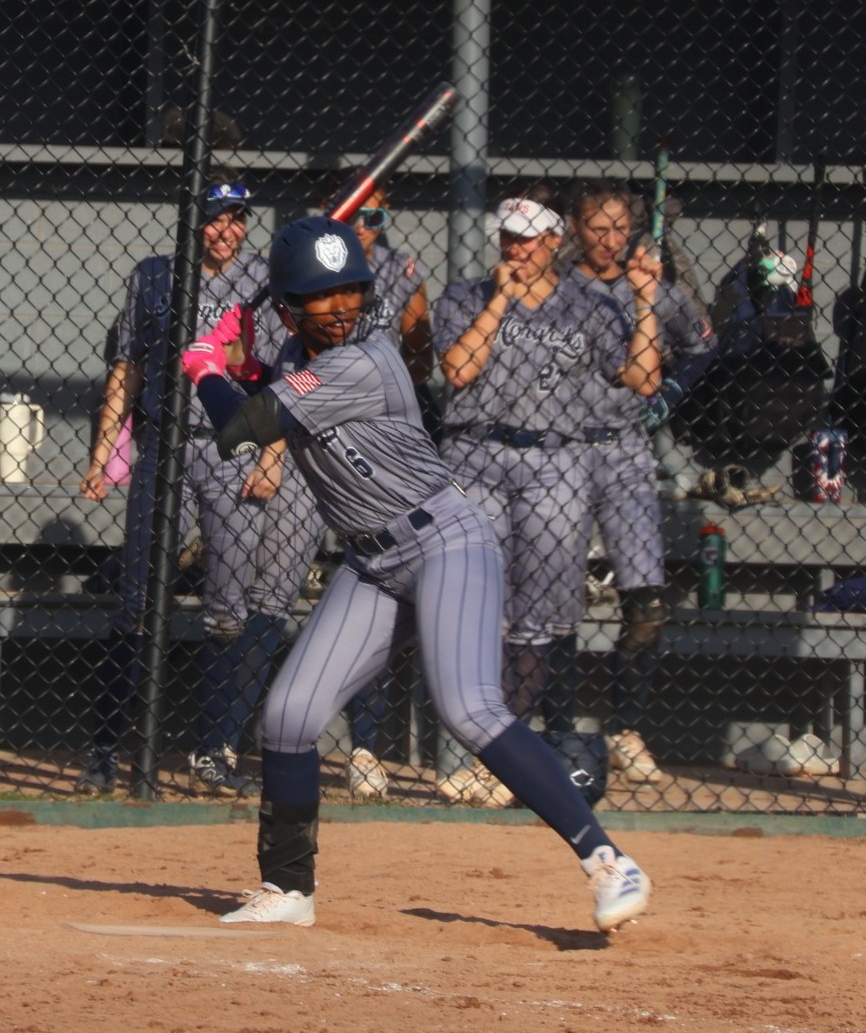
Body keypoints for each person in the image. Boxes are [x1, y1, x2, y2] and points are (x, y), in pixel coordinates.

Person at [179, 215, 651, 931]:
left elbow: (242, 427)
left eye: (349, 292)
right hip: (372, 558)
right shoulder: (293, 349)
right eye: (319, 295)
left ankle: (608, 860)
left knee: (469, 709)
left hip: (443, 541)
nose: (338, 307)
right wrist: (242, 365)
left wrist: (204, 366)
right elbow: (271, 382)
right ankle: (288, 888)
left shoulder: (362, 359)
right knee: (288, 717)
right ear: (285, 306)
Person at [76, 173, 322, 797]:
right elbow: (127, 366)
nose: (227, 231)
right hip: (162, 445)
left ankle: (214, 751)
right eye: (216, 217)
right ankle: (105, 747)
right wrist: (105, 451)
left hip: (233, 446)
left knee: (227, 612)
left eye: (238, 219)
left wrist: (270, 456)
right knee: (135, 601)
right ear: (194, 220)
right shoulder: (155, 276)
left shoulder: (262, 287)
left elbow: (278, 378)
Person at [432, 184, 665, 800]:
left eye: (531, 241)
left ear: (555, 243)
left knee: (538, 619)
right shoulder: (467, 295)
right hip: (476, 454)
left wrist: (644, 303)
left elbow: (642, 378)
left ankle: (496, 764)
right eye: (511, 239)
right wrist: (501, 302)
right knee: (478, 607)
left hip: (554, 463)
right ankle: (480, 754)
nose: (519, 250)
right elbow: (457, 370)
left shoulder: (587, 304)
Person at [561, 179, 716, 784]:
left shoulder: (648, 286)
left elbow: (704, 345)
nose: (610, 240)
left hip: (626, 452)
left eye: (619, 229)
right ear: (576, 231)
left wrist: (669, 396)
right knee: (557, 606)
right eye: (598, 229)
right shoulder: (560, 291)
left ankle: (627, 730)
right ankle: (557, 729)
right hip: (567, 456)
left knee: (646, 605)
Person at [327, 176, 435, 800]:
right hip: (309, 427)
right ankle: (228, 741)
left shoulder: (399, 269)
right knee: (269, 588)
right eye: (354, 215)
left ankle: (365, 747)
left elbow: (422, 354)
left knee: (379, 579)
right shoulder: (308, 261)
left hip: (378, 446)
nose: (364, 227)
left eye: (374, 216)